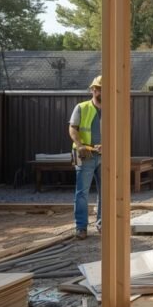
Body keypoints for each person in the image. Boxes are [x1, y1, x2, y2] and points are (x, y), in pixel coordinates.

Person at [68, 76, 102, 240]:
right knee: (82, 192)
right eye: (98, 88)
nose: (101, 91)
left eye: (103, 89)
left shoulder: (112, 109)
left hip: (104, 156)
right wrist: (80, 145)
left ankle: (102, 224)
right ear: (93, 90)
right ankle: (81, 227)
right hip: (84, 154)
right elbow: (72, 129)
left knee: (106, 192)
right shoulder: (81, 107)